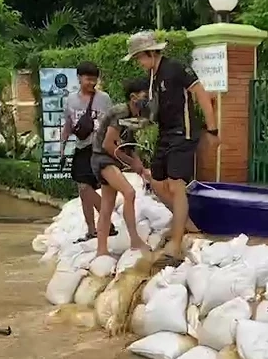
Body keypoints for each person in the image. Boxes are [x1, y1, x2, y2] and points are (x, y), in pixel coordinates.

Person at [123, 31, 219, 265]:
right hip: (165, 133)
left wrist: (213, 130)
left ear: (150, 53)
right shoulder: (152, 76)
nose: (139, 63)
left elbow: (202, 95)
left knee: (176, 185)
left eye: (139, 57)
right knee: (156, 182)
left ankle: (176, 243)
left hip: (183, 132)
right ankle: (186, 224)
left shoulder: (176, 69)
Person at [90, 77, 153, 257]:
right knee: (129, 193)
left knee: (107, 205)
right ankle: (134, 240)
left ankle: (101, 250)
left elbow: (127, 146)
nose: (147, 99)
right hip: (102, 158)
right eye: (144, 96)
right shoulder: (120, 113)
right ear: (133, 97)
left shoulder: (135, 116)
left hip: (112, 159)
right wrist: (132, 163)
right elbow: (109, 145)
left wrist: (138, 164)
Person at [59, 61, 116, 242]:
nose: (91, 83)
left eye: (94, 80)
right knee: (83, 190)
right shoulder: (70, 100)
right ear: (79, 78)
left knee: (87, 188)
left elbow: (113, 124)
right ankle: (92, 230)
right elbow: (68, 124)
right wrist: (62, 146)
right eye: (88, 79)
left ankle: (107, 223)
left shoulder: (104, 99)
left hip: (99, 149)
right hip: (82, 147)